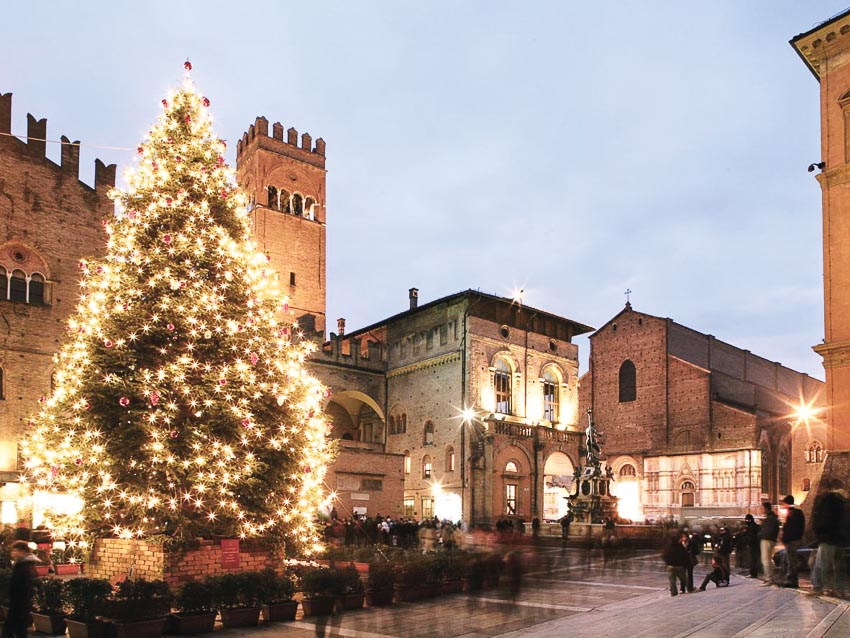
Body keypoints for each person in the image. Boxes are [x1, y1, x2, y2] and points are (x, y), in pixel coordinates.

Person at [811, 478, 850, 596]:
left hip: (828, 537)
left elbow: (822, 519)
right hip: (842, 539)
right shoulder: (846, 500)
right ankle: (840, 589)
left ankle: (819, 588)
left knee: (821, 564)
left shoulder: (828, 500)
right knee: (839, 567)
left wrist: (819, 533)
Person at [3, 540, 39, 638]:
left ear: (23, 551)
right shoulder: (23, 564)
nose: (13, 553)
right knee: (19, 630)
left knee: (11, 630)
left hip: (19, 602)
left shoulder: (23, 566)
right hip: (19, 603)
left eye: (16, 551)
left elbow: (25, 584)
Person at [779, 495, 805, 588]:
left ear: (786, 503)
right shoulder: (798, 512)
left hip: (791, 540)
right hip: (795, 539)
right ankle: (788, 578)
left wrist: (785, 538)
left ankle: (792, 581)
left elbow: (789, 528)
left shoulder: (792, 513)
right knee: (788, 560)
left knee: (791, 561)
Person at [759, 501, 779, 584]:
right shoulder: (771, 518)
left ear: (766, 509)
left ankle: (769, 578)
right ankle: (770, 577)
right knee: (767, 559)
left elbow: (767, 531)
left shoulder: (770, 519)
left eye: (762, 508)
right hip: (769, 539)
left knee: (766, 559)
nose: (761, 510)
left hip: (767, 540)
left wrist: (760, 534)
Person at [743, 514, 761, 578]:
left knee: (753, 560)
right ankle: (755, 572)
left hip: (753, 545)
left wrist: (748, 542)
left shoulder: (751, 527)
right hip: (756, 545)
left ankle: (753, 573)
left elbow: (751, 537)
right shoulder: (754, 526)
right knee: (755, 559)